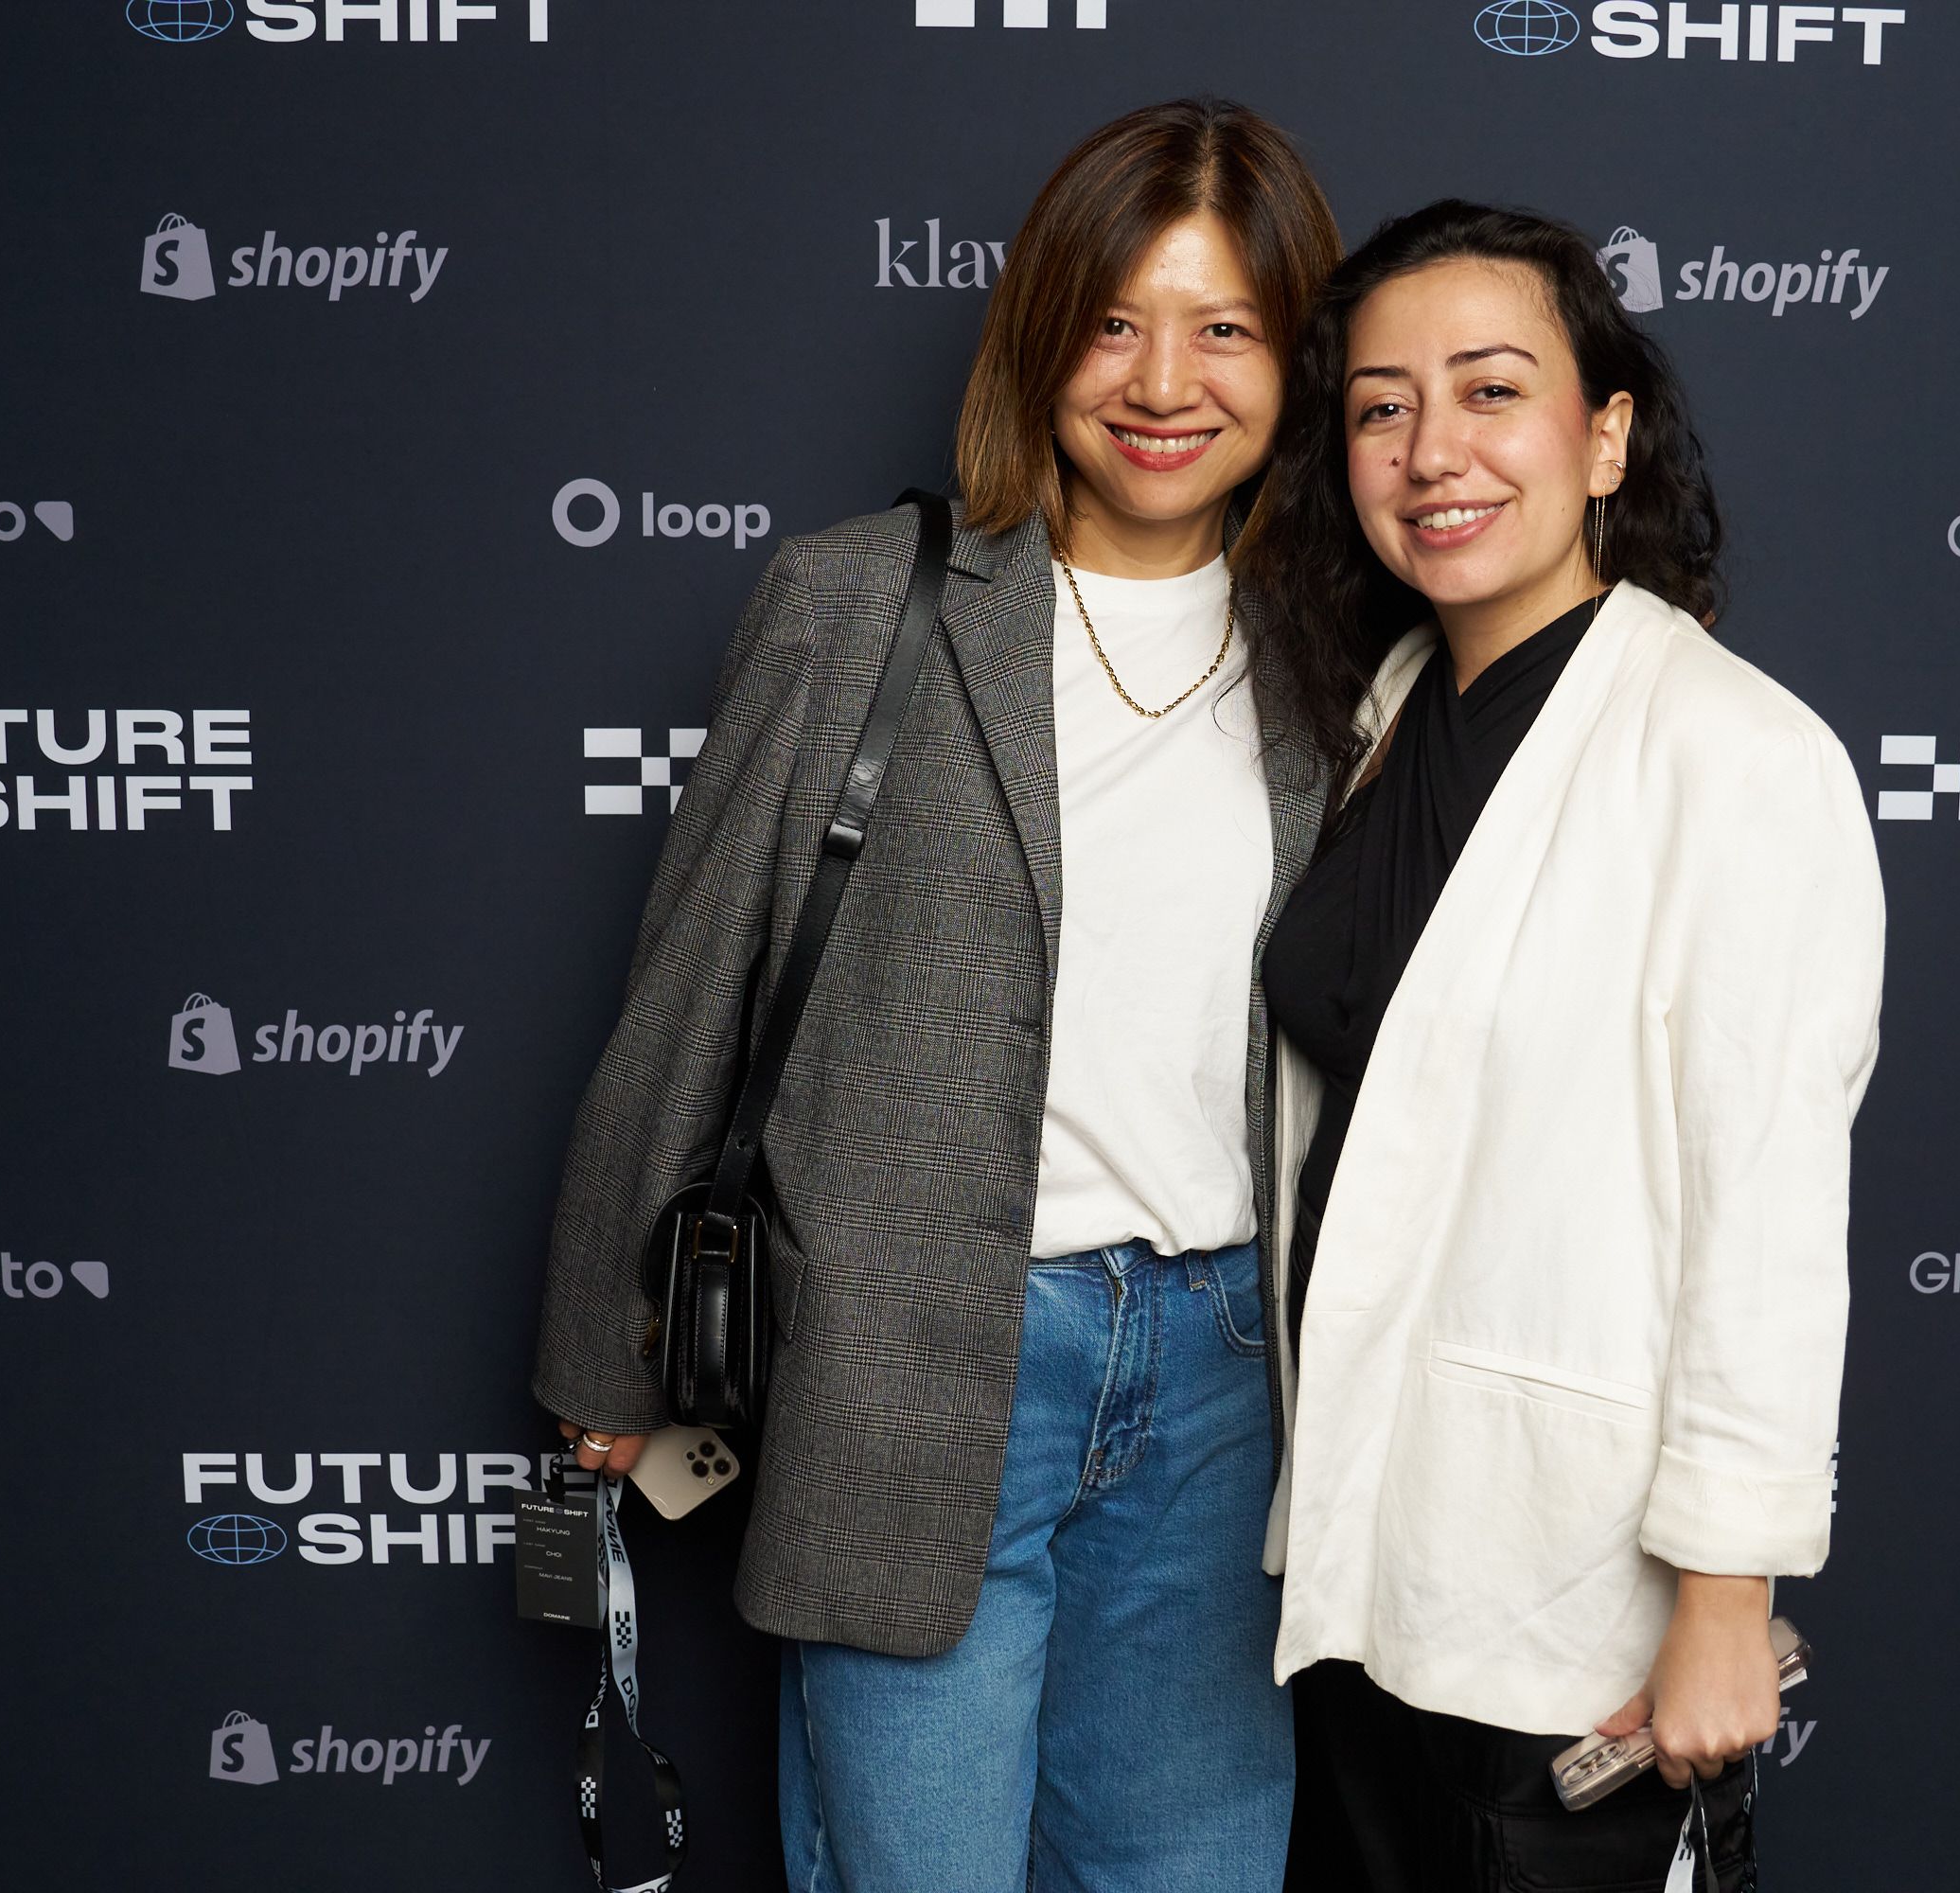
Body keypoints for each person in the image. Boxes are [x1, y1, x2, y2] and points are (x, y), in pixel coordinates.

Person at [527, 99, 1340, 1893]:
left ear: (1298, 360)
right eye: (1114, 321)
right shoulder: (854, 605)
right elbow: (693, 995)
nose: (1165, 382)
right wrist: (603, 1362)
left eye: (1225, 328)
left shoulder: (1344, 651)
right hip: (909, 1361)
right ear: (1040, 335)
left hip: (1229, 1382)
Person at [1240, 201, 1885, 1891]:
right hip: (1358, 1578)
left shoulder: (1734, 756)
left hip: (1569, 1606)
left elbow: (1768, 1221)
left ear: (1605, 438)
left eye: (1491, 391)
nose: (1431, 452)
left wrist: (1728, 1600)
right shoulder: (1382, 713)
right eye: (1381, 407)